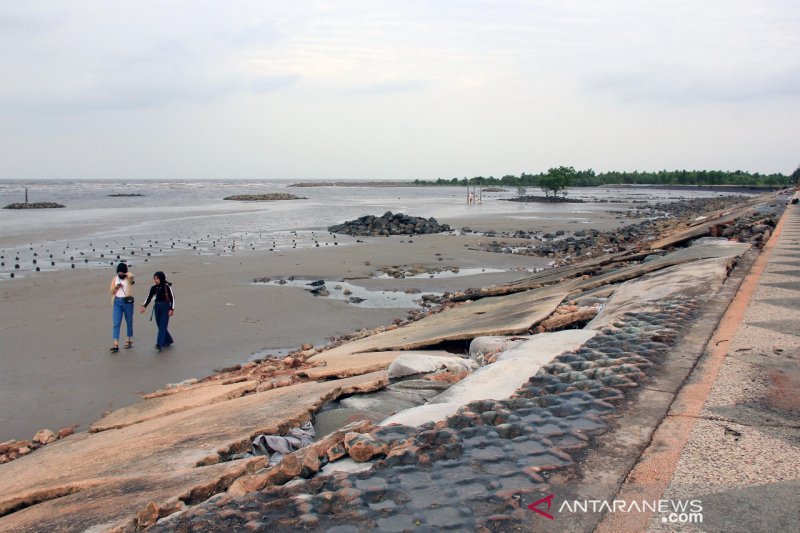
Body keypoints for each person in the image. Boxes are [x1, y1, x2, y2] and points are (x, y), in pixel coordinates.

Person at [140, 271, 175, 351]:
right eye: (154, 278)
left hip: (165, 308)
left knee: (162, 326)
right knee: (160, 326)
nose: (155, 280)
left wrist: (171, 309)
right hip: (157, 308)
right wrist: (144, 306)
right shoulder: (153, 287)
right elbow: (149, 297)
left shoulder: (167, 287)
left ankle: (159, 344)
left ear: (161, 278)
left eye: (157, 278)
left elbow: (172, 298)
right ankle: (168, 340)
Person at [109, 262, 135, 352]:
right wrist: (116, 288)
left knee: (129, 321)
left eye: (122, 272)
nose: (120, 274)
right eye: (119, 272)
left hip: (127, 302)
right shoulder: (114, 279)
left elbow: (132, 276)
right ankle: (115, 344)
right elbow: (111, 291)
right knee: (116, 322)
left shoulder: (128, 279)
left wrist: (126, 273)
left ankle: (129, 340)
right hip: (117, 302)